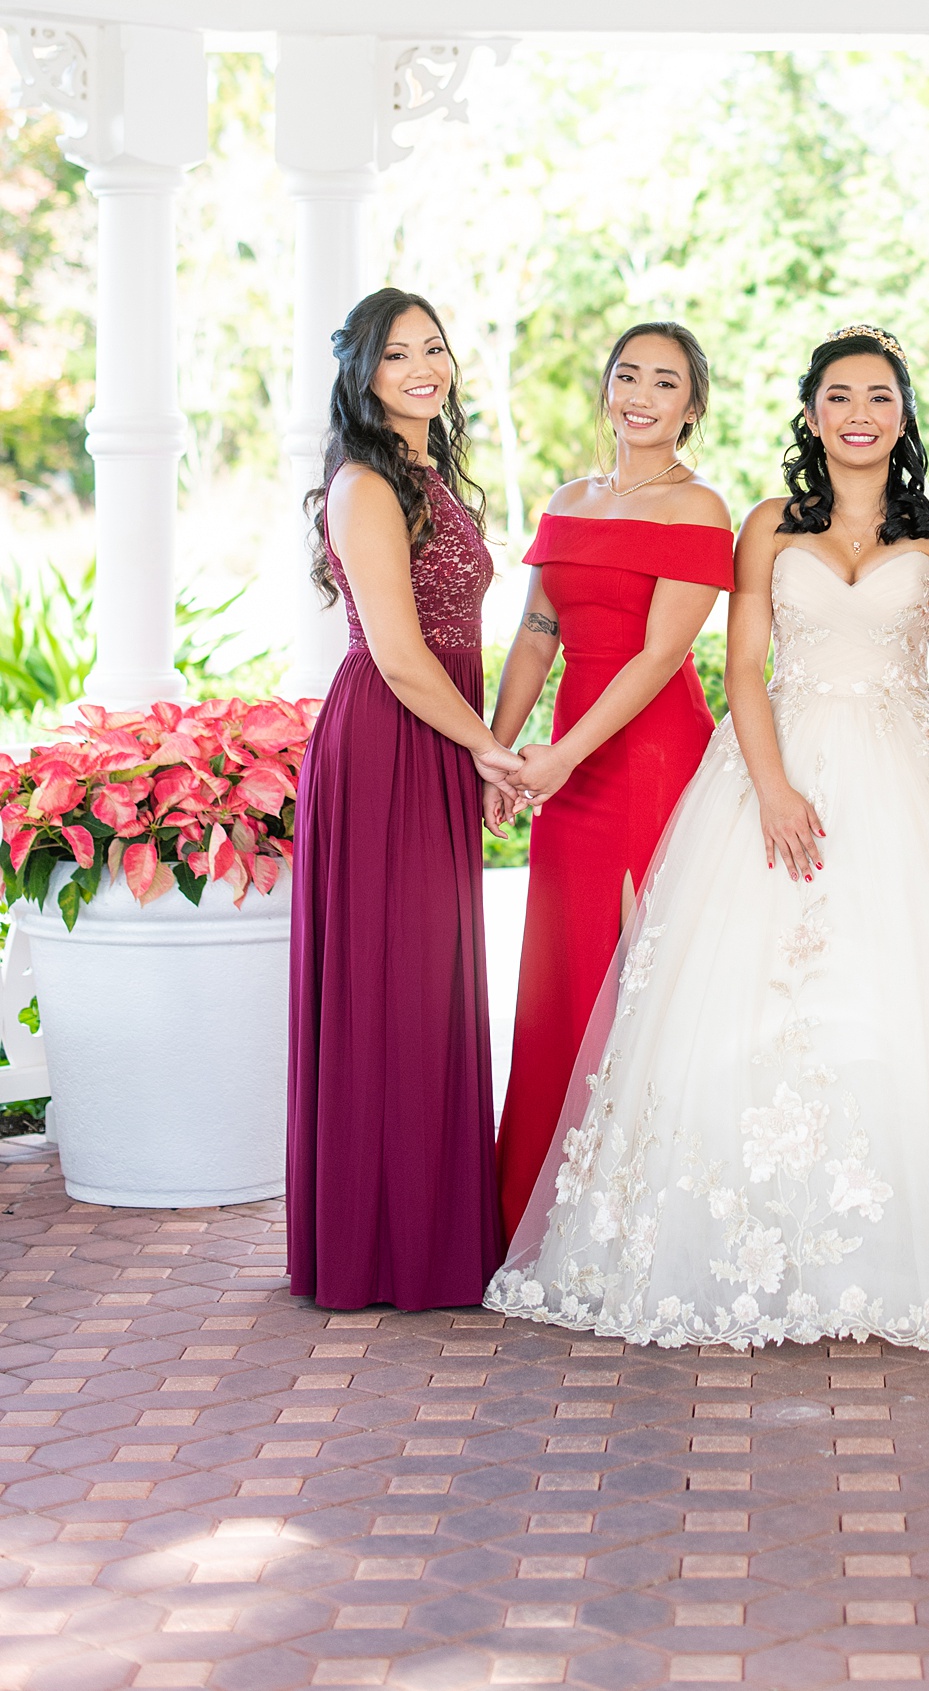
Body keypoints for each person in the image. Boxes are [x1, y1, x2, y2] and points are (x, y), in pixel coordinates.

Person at [488, 326, 929, 1347]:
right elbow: (741, 668)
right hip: (777, 764)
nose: (857, 413)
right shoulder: (766, 524)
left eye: (876, 396)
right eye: (837, 396)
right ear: (810, 413)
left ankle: (908, 1245)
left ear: (902, 413)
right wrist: (773, 787)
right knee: (748, 991)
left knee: (909, 995)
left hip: (910, 773)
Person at [288, 289, 527, 1312]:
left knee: (427, 986)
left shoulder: (430, 472)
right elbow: (393, 652)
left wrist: (476, 749)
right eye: (398, 355)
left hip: (437, 738)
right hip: (390, 743)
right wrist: (490, 750)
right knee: (391, 987)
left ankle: (429, 1229)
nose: (423, 368)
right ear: (362, 374)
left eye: (434, 349)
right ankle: (376, 1246)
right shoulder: (363, 485)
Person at [488, 323, 734, 1242]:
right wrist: (496, 750)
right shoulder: (569, 496)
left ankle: (637, 1221)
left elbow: (660, 656)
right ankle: (534, 1211)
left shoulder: (701, 507)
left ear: (691, 405)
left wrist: (559, 758)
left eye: (665, 381)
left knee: (640, 970)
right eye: (627, 374)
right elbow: (536, 634)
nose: (641, 392)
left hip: (649, 756)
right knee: (561, 970)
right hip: (563, 758)